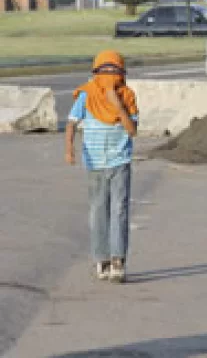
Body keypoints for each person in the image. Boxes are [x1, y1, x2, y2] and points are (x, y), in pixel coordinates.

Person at [65, 50, 138, 284]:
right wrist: (69, 148)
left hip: (120, 161)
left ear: (122, 73)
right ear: (95, 73)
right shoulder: (87, 95)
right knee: (98, 211)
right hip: (95, 163)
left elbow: (132, 130)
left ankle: (118, 260)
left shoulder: (127, 96)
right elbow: (71, 123)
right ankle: (102, 259)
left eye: (114, 71)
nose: (109, 76)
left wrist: (118, 105)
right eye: (104, 71)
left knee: (119, 210)